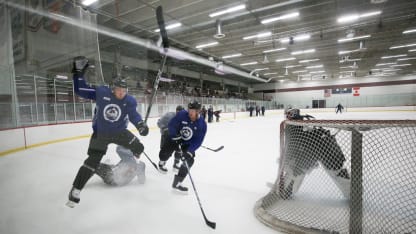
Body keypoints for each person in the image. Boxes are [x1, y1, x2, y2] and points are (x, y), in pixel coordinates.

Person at [66, 56, 149, 208]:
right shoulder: (102, 93)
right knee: (92, 161)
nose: (122, 93)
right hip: (101, 133)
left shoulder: (129, 100)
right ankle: (76, 189)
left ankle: (137, 165)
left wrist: (140, 124)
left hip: (119, 132)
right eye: (119, 90)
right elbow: (80, 89)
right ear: (112, 88)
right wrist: (78, 73)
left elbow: (133, 115)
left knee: (139, 147)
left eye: (124, 90)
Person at [278, 108, 350, 200]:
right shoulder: (294, 125)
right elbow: (292, 145)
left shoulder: (294, 125)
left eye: (289, 114)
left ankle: (354, 195)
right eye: (287, 114)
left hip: (324, 150)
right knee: (296, 171)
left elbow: (292, 147)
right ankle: (284, 192)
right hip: (313, 150)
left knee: (337, 171)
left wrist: (288, 160)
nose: (287, 116)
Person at [158, 100, 207, 193]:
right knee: (164, 154)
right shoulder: (182, 114)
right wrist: (174, 135)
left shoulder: (202, 124)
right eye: (189, 110)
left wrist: (189, 151)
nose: (190, 113)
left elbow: (198, 141)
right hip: (175, 137)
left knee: (190, 160)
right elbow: (171, 125)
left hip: (186, 143)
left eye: (193, 111)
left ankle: (177, 182)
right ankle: (162, 161)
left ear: (198, 111)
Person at [157, 105, 184, 173]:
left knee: (179, 150)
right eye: (179, 112)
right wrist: (165, 128)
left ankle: (176, 165)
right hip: (166, 136)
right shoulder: (169, 115)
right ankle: (162, 164)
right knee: (166, 150)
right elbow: (159, 122)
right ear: (176, 111)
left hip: (176, 137)